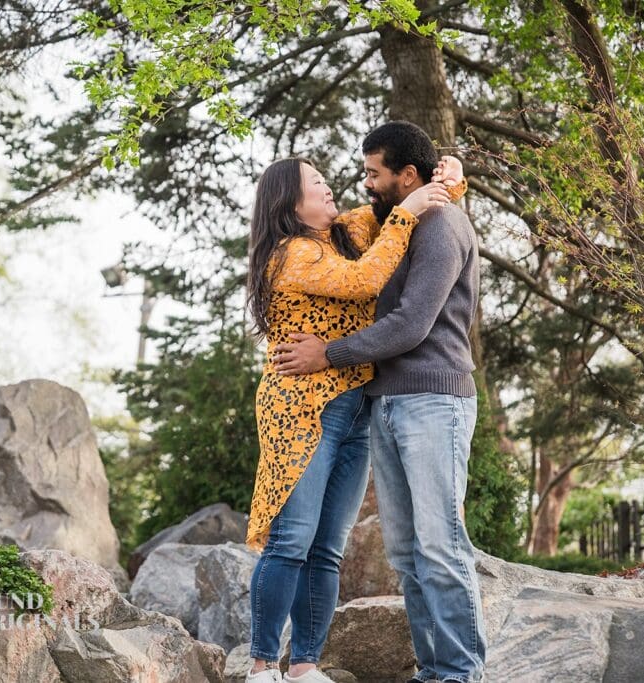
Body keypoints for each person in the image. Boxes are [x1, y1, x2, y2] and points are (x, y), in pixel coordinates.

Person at [273, 121, 487, 683]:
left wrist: (330, 353)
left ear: (407, 176)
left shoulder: (440, 226)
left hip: (433, 403)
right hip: (388, 402)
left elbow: (412, 324)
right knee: (408, 554)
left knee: (441, 546)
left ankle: (462, 673)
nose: (364, 183)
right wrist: (453, 173)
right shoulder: (401, 222)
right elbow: (366, 263)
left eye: (374, 173)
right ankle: (434, 672)